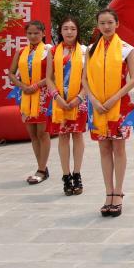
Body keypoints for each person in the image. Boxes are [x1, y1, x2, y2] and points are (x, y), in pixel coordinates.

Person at [85, 8, 134, 217]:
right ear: (98, 26)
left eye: (110, 23)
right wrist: (94, 100)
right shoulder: (90, 50)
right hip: (97, 107)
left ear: (117, 24)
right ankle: (108, 192)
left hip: (120, 106)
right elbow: (85, 79)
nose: (106, 27)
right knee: (104, 149)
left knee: (119, 149)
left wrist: (115, 97)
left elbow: (133, 79)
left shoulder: (127, 49)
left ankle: (118, 192)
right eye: (102, 23)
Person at [46, 17, 88, 196]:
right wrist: (56, 97)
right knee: (63, 137)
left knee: (77, 136)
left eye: (72, 28)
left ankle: (77, 174)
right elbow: (49, 78)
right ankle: (65, 175)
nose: (69, 32)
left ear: (77, 31)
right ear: (60, 31)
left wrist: (80, 97)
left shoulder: (85, 51)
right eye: (66, 28)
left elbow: (87, 79)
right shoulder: (53, 51)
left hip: (79, 101)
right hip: (59, 102)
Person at [8, 20, 52, 185]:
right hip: (25, 96)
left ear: (43, 34)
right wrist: (23, 86)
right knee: (32, 133)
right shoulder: (21, 52)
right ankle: (41, 166)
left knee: (42, 132)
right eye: (29, 33)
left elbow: (52, 74)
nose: (33, 36)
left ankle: (41, 169)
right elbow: (11, 73)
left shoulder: (48, 51)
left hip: (42, 95)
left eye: (36, 33)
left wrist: (36, 86)